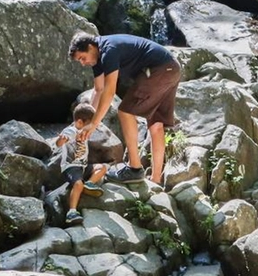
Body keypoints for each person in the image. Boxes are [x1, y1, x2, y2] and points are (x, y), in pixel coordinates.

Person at [68, 32, 181, 186]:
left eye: (82, 58)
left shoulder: (109, 50)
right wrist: (86, 123)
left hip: (158, 70)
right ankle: (155, 180)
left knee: (125, 111)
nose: (82, 63)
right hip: (172, 68)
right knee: (156, 125)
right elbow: (99, 89)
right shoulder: (98, 59)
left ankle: (135, 169)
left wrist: (94, 124)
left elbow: (109, 91)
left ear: (90, 47)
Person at [55, 102, 108, 226]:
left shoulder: (84, 131)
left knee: (103, 167)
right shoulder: (70, 130)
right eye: (90, 125)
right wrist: (62, 139)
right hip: (71, 166)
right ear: (79, 122)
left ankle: (89, 183)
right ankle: (71, 212)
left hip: (84, 165)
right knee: (78, 184)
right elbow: (59, 143)